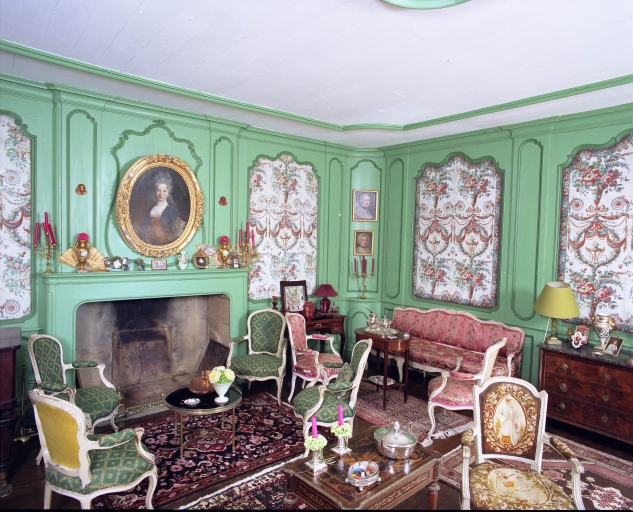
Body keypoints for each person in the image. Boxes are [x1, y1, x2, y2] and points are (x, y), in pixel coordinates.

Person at [138, 172, 186, 245]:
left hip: (166, 244)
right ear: (155, 191)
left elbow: (176, 231)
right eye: (158, 190)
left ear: (168, 193)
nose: (161, 193)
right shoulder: (150, 210)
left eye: (164, 191)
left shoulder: (172, 211)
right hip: (149, 244)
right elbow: (143, 228)